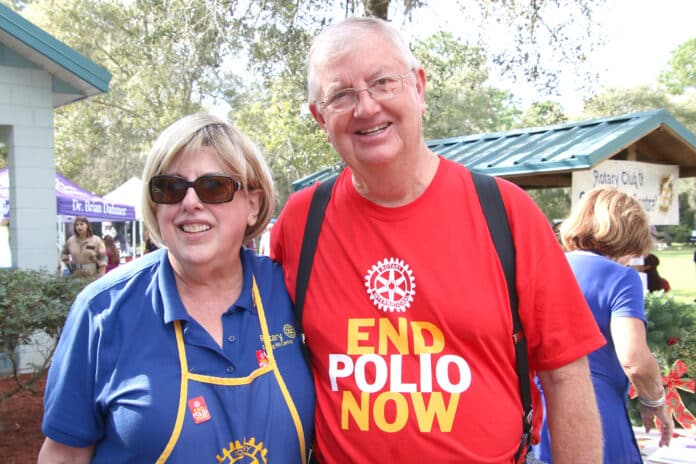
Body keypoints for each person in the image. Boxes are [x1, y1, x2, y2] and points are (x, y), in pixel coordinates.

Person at [271, 17, 605, 464]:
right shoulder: (302, 221)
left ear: (419, 88)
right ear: (320, 117)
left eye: (383, 82)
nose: (366, 107)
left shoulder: (506, 213)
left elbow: (566, 375)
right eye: (342, 95)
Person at [39, 114, 315, 463]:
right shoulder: (102, 312)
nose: (190, 202)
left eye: (214, 187)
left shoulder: (288, 289)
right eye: (170, 187)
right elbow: (66, 455)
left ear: (253, 205)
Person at [536, 187, 673, 463]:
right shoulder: (622, 277)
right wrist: (655, 400)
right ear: (630, 236)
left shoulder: (545, 266)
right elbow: (634, 358)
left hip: (538, 406)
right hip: (594, 408)